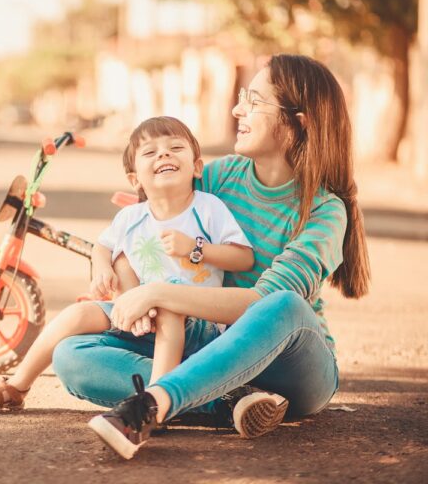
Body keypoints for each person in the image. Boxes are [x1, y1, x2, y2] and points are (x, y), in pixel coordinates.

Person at [53, 54, 371, 460]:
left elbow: (258, 303)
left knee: (284, 304)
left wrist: (158, 293)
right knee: (71, 354)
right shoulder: (219, 178)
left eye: (254, 101)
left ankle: (154, 404)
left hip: (293, 366)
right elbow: (134, 237)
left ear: (298, 122)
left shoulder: (326, 212)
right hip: (204, 340)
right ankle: (231, 400)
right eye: (242, 98)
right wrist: (132, 291)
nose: (238, 110)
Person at [0, 116, 254, 413]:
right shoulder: (131, 217)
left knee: (168, 300)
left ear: (196, 167)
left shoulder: (207, 208)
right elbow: (102, 248)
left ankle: (156, 403)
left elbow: (243, 258)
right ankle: (17, 386)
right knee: (77, 314)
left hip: (198, 324)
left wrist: (197, 249)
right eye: (150, 152)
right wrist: (103, 268)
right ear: (135, 180)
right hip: (145, 318)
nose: (164, 154)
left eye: (175, 148)